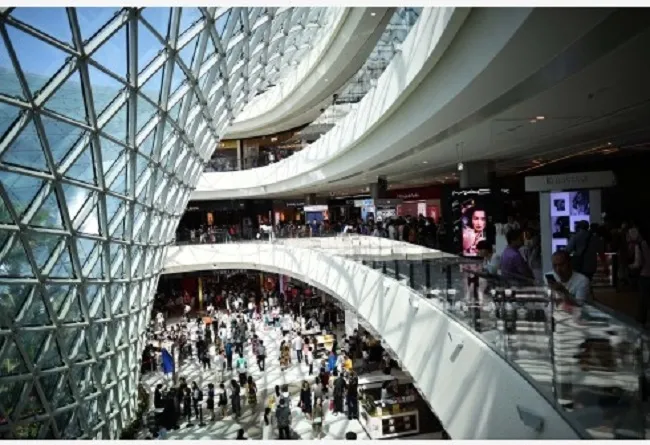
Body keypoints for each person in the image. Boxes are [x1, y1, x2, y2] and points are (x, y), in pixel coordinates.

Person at [627, 225, 650, 325]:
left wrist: (630, 266)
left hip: (644, 274)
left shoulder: (639, 245)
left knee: (643, 299)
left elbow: (638, 263)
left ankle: (641, 321)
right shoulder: (647, 243)